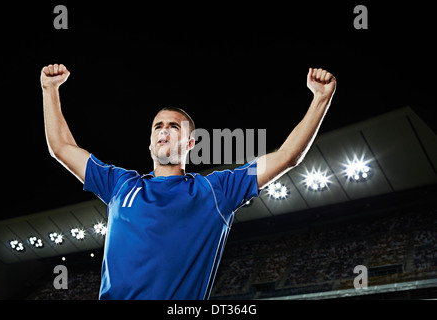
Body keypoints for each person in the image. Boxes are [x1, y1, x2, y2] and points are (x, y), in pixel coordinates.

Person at [41, 64, 336, 299]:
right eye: (158, 126)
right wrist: (49, 89)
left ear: (191, 142)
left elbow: (286, 156)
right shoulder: (121, 185)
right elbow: (61, 148)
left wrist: (320, 99)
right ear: (150, 143)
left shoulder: (216, 190)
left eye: (173, 126)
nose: (164, 130)